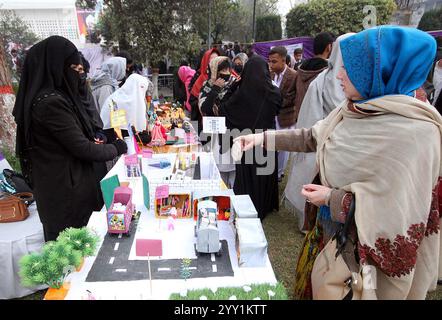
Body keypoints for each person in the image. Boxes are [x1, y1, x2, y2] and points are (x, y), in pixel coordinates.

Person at [235, 26, 441, 300]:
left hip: (367, 260)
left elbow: (399, 210)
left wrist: (334, 199)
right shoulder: (355, 108)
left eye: (349, 68)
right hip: (332, 235)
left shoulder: (415, 131)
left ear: (377, 73)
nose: (339, 75)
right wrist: (261, 139)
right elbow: (312, 136)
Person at [13, 36, 128, 241]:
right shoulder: (50, 103)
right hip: (65, 197)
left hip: (69, 188)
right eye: (74, 68)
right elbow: (82, 148)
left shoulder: (58, 97)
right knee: (71, 257)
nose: (79, 74)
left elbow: (84, 132)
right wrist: (117, 148)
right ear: (55, 66)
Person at [284, 33, 353, 232]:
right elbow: (310, 122)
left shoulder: (365, 86)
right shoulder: (322, 80)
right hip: (323, 144)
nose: (340, 76)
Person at [212, 55, 281, 219]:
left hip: (246, 142)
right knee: (266, 175)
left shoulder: (240, 95)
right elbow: (278, 109)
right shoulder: (274, 92)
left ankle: (248, 206)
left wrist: (234, 85)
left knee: (247, 178)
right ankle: (266, 205)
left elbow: (222, 109)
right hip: (266, 140)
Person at [199, 56, 240, 188]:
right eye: (222, 69)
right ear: (214, 70)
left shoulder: (236, 83)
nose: (225, 73)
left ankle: (233, 200)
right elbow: (204, 108)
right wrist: (215, 89)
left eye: (228, 69)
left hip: (233, 132)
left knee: (234, 171)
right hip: (215, 135)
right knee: (218, 172)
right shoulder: (208, 85)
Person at [268, 46, 297, 181]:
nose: (271, 64)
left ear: (283, 60)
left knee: (283, 148)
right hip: (272, 116)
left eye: (274, 61)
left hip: (285, 118)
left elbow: (292, 98)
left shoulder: (293, 76)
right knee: (272, 145)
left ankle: (279, 174)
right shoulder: (270, 74)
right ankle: (273, 170)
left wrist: (274, 101)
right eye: (270, 61)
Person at [188, 48, 220, 131]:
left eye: (217, 60)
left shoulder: (224, 77)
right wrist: (203, 101)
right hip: (203, 123)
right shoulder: (200, 79)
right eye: (212, 60)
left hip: (220, 123)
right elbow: (192, 101)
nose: (215, 63)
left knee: (219, 143)